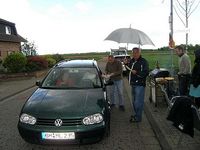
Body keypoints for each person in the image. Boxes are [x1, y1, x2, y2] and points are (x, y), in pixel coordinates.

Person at [124, 47, 149, 122]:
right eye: (133, 52)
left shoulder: (144, 62)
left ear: (139, 53)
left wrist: (137, 72)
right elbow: (128, 72)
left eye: (136, 52)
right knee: (134, 101)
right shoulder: (131, 61)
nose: (134, 54)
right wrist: (126, 64)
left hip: (140, 85)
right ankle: (136, 115)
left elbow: (146, 73)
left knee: (138, 102)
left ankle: (138, 118)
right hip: (133, 84)